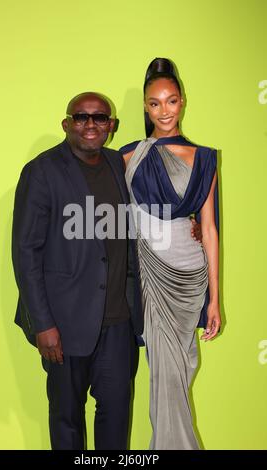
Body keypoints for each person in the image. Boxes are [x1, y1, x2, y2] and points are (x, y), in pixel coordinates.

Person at [11, 92, 144, 450]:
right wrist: (43, 324)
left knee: (116, 417)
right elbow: (26, 253)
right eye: (81, 117)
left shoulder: (120, 165)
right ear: (66, 124)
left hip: (118, 323)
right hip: (64, 325)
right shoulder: (42, 171)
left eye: (99, 118)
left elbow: (144, 221)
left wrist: (190, 224)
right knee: (67, 420)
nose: (90, 124)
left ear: (111, 126)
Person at [120, 58, 221, 450]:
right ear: (145, 107)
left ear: (182, 102)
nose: (164, 111)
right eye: (155, 103)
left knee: (181, 370)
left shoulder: (204, 157)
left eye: (172, 101)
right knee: (163, 375)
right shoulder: (128, 156)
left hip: (190, 275)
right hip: (148, 274)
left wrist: (215, 299)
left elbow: (209, 229)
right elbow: (113, 214)